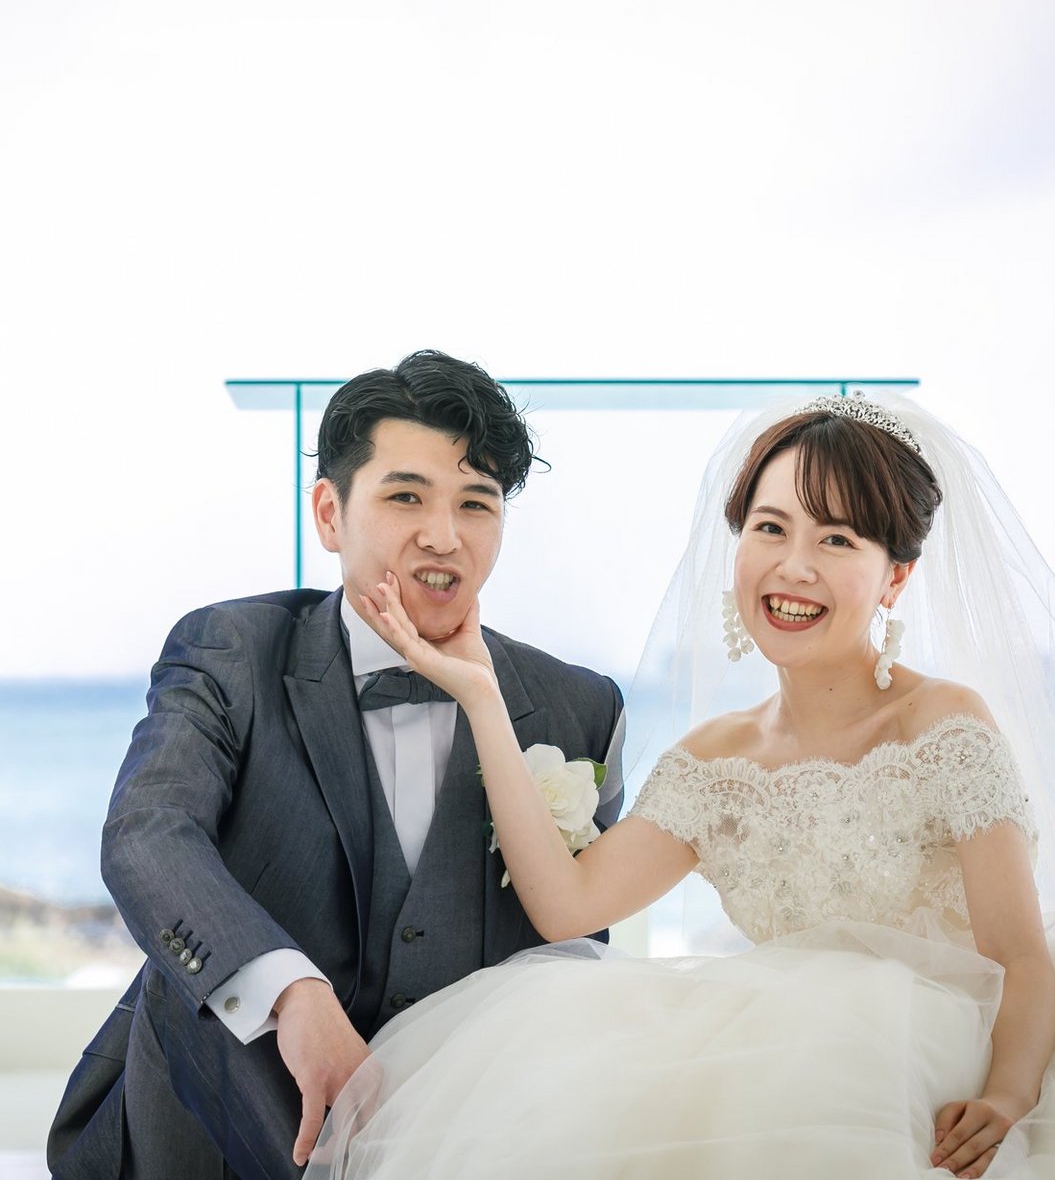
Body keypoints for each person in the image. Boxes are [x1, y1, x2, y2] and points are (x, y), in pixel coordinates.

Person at [308, 393, 1055, 1178]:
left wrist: (1007, 1096)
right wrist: (483, 699)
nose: (793, 566)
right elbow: (568, 904)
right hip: (786, 1064)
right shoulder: (714, 758)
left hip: (957, 1056)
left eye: (837, 540)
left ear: (895, 577)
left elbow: (1022, 959)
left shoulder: (945, 725)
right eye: (770, 528)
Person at [45, 350, 626, 1180]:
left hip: (455, 1132)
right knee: (209, 976)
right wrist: (291, 994)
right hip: (222, 1111)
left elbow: (571, 965)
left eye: (476, 503)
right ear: (329, 513)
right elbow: (147, 834)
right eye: (405, 496)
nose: (443, 535)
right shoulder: (232, 651)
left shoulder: (577, 707)